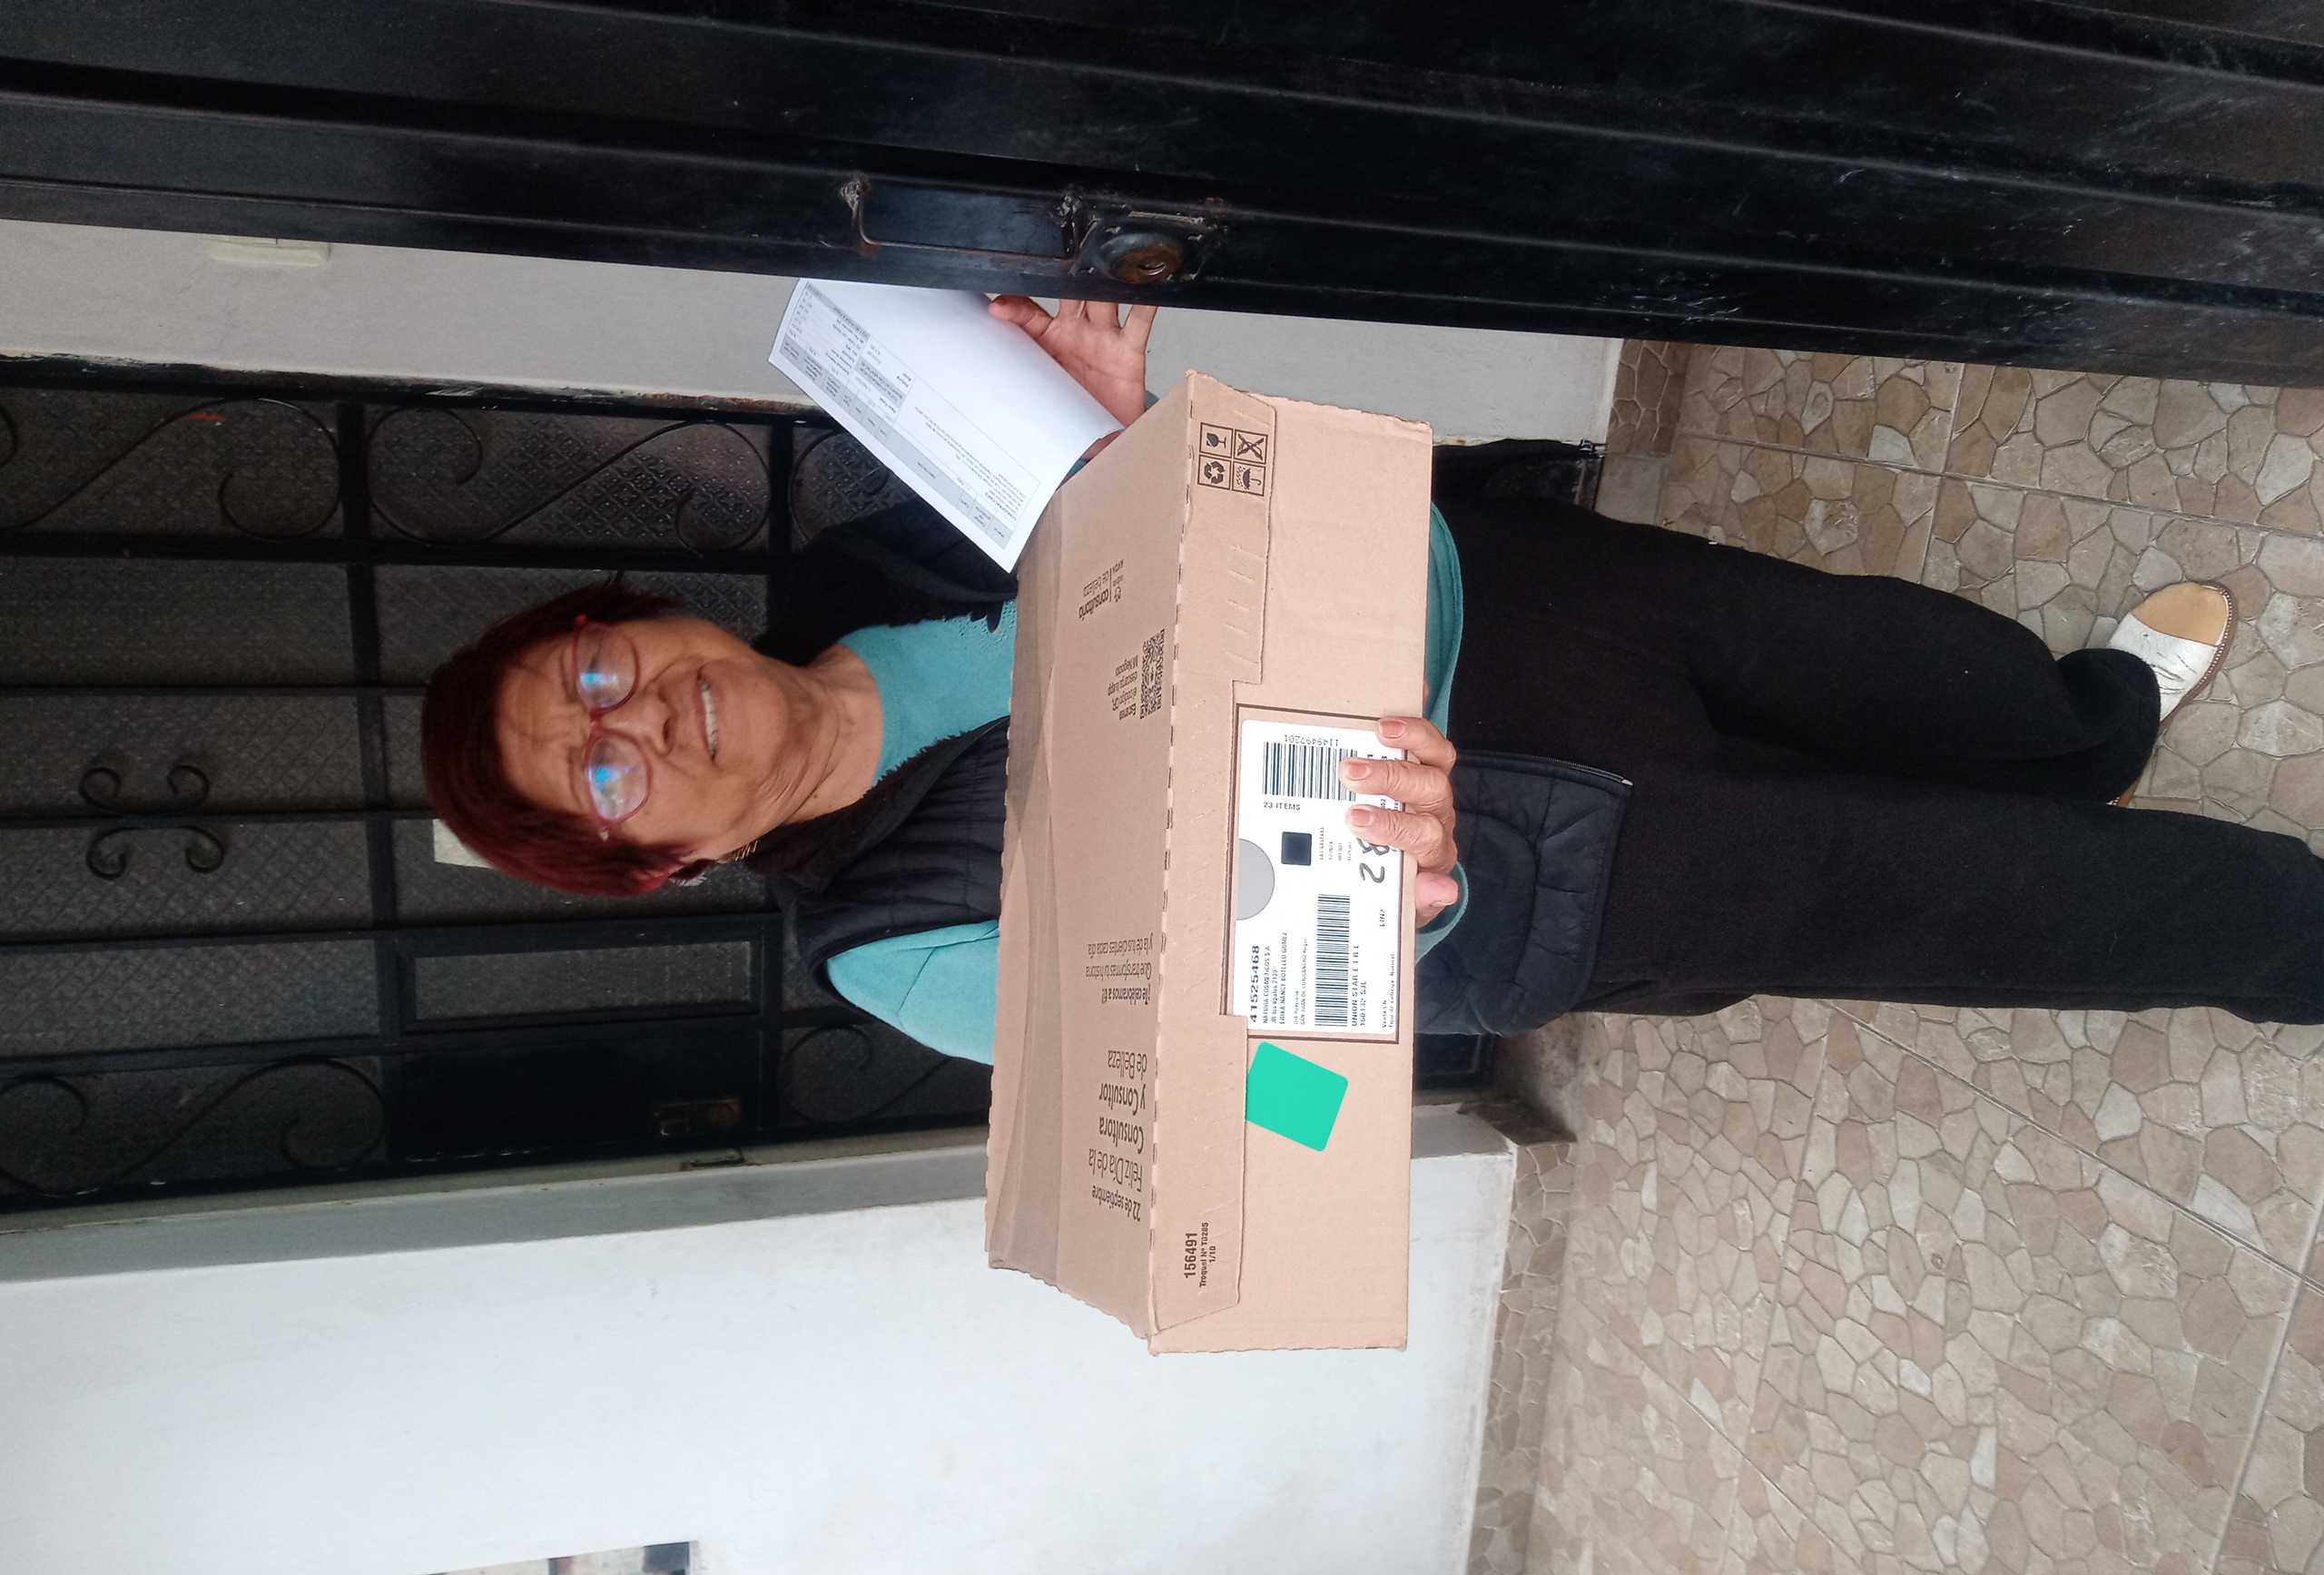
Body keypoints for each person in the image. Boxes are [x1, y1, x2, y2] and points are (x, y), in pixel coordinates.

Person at [422, 300, 2324, 1060]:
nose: (633, 720)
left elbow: (1166, 525)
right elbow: (1221, 1055)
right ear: (660, 860)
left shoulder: (871, 549)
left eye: (590, 673)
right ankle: (2288, 943)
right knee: (1964, 902)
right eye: (599, 776)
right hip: (1528, 858)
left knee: (1887, 663)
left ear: (630, 619)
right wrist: (1380, 918)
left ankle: (2081, 729)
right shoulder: (893, 947)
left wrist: (1113, 421)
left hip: (1505, 594)